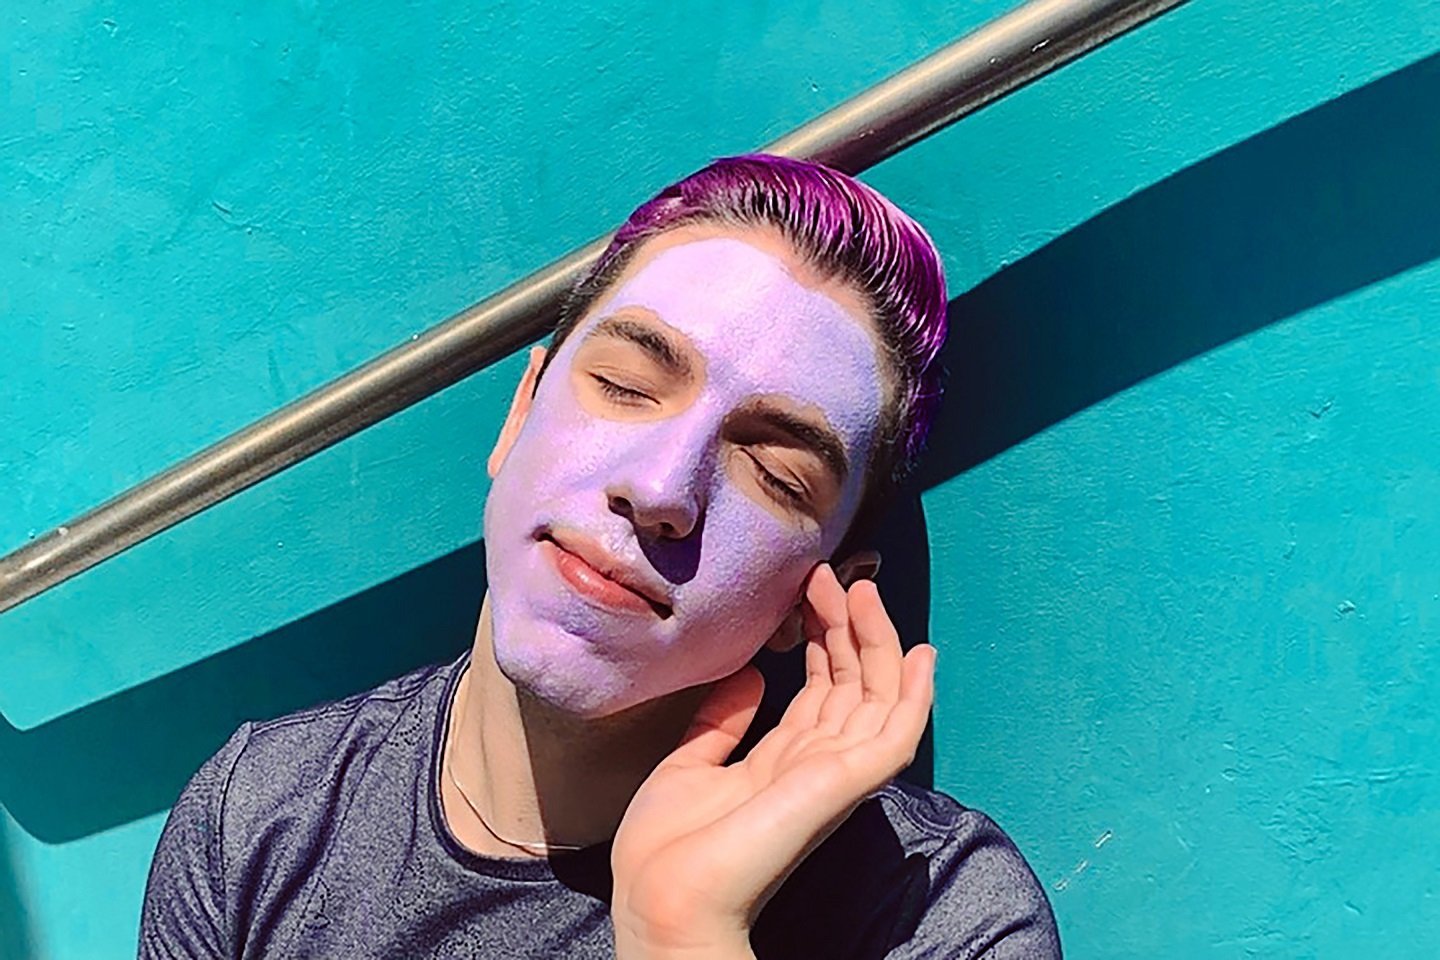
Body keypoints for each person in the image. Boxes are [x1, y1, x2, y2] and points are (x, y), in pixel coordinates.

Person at [139, 154, 1060, 959]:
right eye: (625, 385)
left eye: (776, 474)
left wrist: (684, 935)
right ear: (518, 417)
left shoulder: (933, 918)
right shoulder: (258, 814)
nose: (661, 488)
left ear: (810, 600)